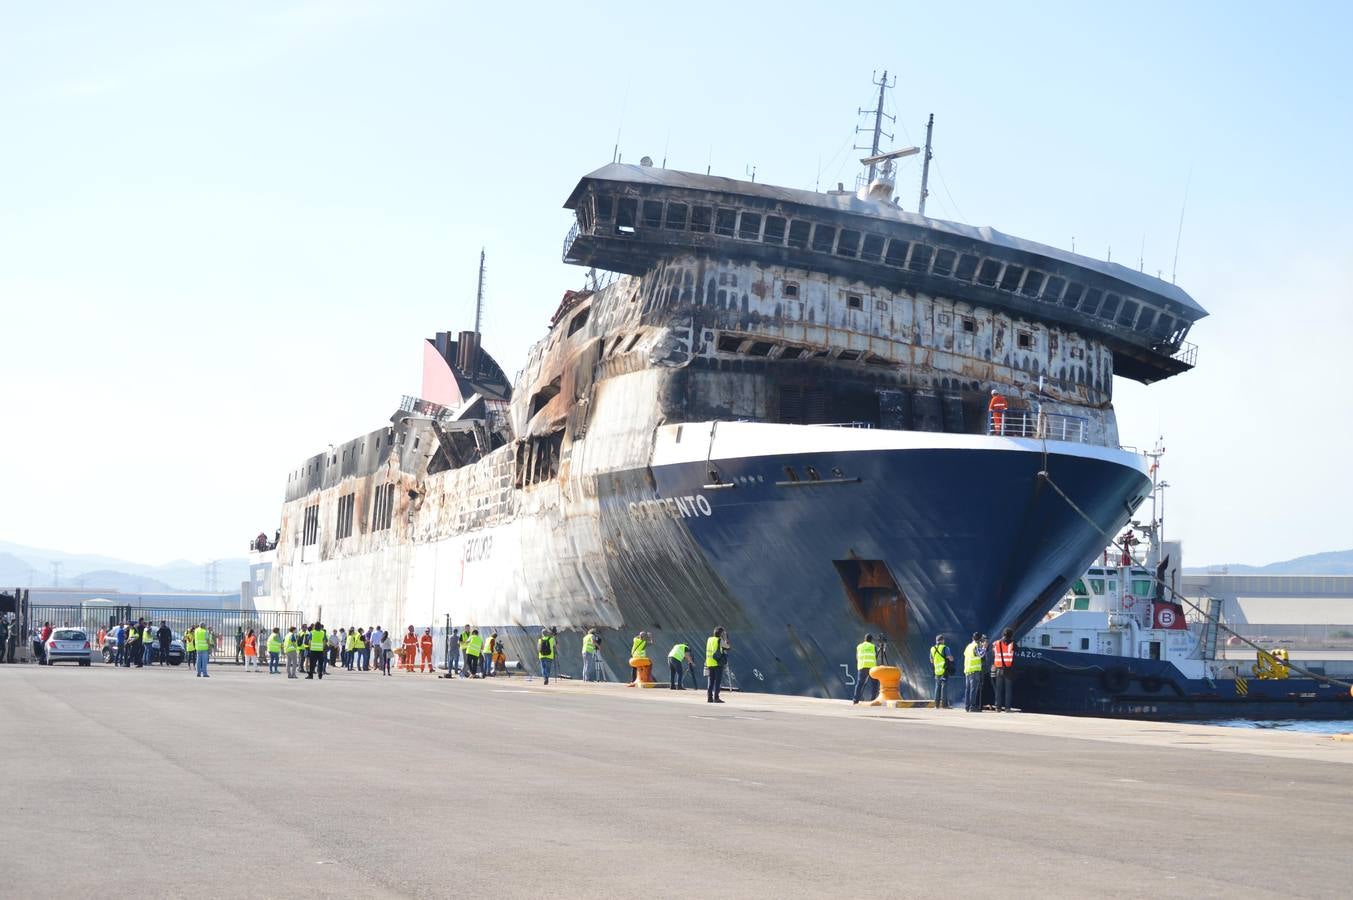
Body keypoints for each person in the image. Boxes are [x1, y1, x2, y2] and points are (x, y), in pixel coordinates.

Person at [991, 628, 1016, 712]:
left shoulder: (996, 643)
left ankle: (998, 707)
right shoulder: (1012, 644)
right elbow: (1016, 649)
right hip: (1008, 669)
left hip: (999, 669)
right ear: (1011, 635)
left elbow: (993, 650)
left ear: (1003, 634)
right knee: (1008, 689)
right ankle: (1007, 708)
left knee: (998, 689)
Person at [963, 633, 987, 712]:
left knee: (968, 689)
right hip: (974, 670)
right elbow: (981, 654)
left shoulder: (968, 646)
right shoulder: (976, 646)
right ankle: (972, 707)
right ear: (979, 640)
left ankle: (967, 706)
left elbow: (965, 655)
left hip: (967, 670)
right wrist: (984, 647)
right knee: (973, 689)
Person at [852, 633, 878, 705]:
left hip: (862, 666)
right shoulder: (873, 646)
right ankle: (873, 699)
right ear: (871, 640)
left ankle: (855, 700)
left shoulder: (859, 646)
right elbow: (875, 657)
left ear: (865, 639)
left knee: (859, 684)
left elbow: (857, 657)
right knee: (874, 683)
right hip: (871, 667)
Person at [930, 634, 954, 708]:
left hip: (937, 671)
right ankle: (944, 705)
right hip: (944, 671)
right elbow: (950, 658)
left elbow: (931, 660)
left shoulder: (932, 649)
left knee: (937, 687)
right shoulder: (945, 648)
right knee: (944, 687)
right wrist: (952, 659)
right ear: (942, 640)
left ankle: (936, 705)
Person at [705, 627, 728, 703]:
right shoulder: (719, 640)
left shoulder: (709, 639)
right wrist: (726, 640)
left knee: (711, 681)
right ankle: (716, 698)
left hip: (709, 662)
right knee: (717, 681)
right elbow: (728, 647)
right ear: (721, 634)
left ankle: (709, 698)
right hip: (717, 663)